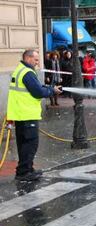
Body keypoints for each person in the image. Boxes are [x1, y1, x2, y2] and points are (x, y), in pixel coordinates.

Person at [7, 50, 62, 181]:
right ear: (28, 58)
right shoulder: (27, 73)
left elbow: (34, 87)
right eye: (36, 60)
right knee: (30, 143)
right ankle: (24, 172)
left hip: (20, 114)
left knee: (23, 144)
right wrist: (51, 90)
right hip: (27, 114)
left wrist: (47, 87)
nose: (38, 63)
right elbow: (37, 92)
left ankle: (26, 169)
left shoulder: (20, 70)